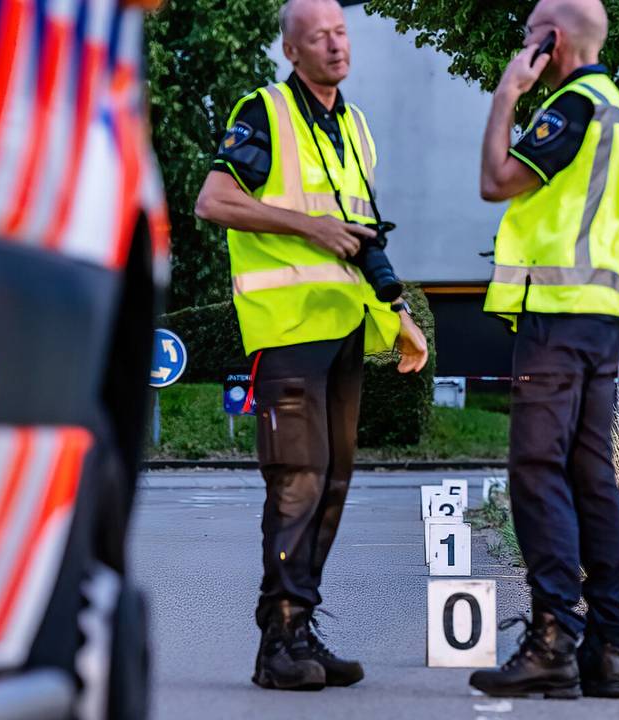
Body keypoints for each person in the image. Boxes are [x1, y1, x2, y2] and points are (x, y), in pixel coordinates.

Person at [194, 0, 428, 692]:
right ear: (292, 51)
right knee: (296, 482)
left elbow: (362, 235)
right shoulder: (264, 112)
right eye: (318, 36)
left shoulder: (353, 125)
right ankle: (278, 646)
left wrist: (400, 312)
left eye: (341, 32)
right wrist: (305, 227)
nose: (335, 44)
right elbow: (213, 200)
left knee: (330, 486)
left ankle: (297, 629)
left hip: (346, 329)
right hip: (288, 332)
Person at [471, 0, 619, 699]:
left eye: (528, 33)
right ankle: (606, 646)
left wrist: (507, 92)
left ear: (553, 39)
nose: (522, 43)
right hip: (602, 316)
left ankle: (551, 639)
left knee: (537, 470)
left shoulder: (571, 106)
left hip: (560, 317)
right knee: (590, 476)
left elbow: (496, 181)